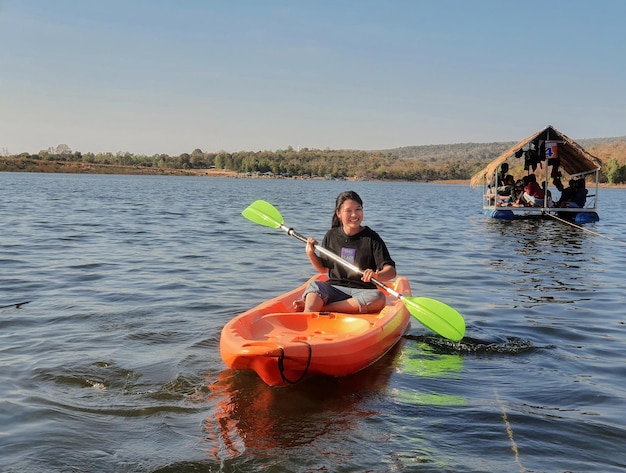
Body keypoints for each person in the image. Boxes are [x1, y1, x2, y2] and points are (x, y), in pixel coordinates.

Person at [293, 190, 396, 314]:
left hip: (363, 292)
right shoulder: (331, 235)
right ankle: (308, 312)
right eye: (348, 211)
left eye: (358, 209)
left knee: (378, 297)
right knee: (315, 285)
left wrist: (376, 275)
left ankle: (323, 308)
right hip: (334, 289)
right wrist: (311, 253)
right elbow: (323, 269)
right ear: (339, 213)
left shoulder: (372, 238)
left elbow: (391, 271)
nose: (354, 215)